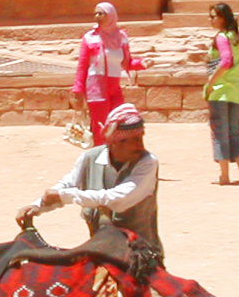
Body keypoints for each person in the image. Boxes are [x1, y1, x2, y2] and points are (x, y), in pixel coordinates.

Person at [16, 103, 162, 257]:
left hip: (141, 255)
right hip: (102, 251)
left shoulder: (147, 163)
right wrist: (37, 206)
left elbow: (118, 200)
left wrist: (67, 196)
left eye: (141, 138)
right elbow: (67, 184)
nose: (141, 145)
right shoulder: (90, 158)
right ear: (115, 142)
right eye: (134, 140)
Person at [71, 2, 148, 146]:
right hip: (96, 88)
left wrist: (142, 64)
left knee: (118, 122)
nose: (97, 17)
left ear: (111, 15)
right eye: (95, 13)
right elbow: (82, 66)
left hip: (114, 87)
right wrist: (78, 89)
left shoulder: (121, 37)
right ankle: (100, 157)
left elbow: (126, 63)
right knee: (100, 126)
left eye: (101, 13)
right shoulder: (90, 38)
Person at [204, 3, 239, 185]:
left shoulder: (221, 38)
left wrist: (211, 83)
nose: (211, 20)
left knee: (220, 133)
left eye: (213, 17)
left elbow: (225, 61)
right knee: (234, 131)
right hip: (235, 90)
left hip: (219, 90)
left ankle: (224, 175)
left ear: (223, 18)